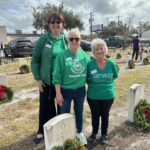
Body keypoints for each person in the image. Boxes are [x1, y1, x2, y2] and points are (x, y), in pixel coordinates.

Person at [31, 12, 68, 144]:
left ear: (62, 25)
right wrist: (38, 79)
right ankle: (41, 130)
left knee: (61, 105)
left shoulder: (66, 40)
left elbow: (75, 56)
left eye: (58, 22)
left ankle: (57, 129)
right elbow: (35, 60)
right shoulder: (43, 40)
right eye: (52, 22)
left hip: (61, 81)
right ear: (48, 25)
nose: (55, 24)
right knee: (45, 106)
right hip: (46, 80)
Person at [52, 28, 90, 145]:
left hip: (80, 90)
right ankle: (63, 135)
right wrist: (58, 93)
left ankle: (79, 132)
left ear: (80, 40)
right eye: (71, 39)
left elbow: (88, 73)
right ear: (68, 40)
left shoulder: (84, 55)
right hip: (65, 91)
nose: (74, 41)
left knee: (79, 111)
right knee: (64, 114)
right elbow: (56, 76)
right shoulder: (62, 55)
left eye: (76, 39)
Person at [87, 38, 118, 145]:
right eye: (97, 49)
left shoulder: (111, 64)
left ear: (105, 49)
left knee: (105, 115)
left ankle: (104, 134)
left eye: (101, 48)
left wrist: (104, 84)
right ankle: (94, 133)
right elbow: (87, 78)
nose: (99, 51)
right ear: (93, 51)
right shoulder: (90, 64)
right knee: (95, 115)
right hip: (93, 96)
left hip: (108, 96)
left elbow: (115, 75)